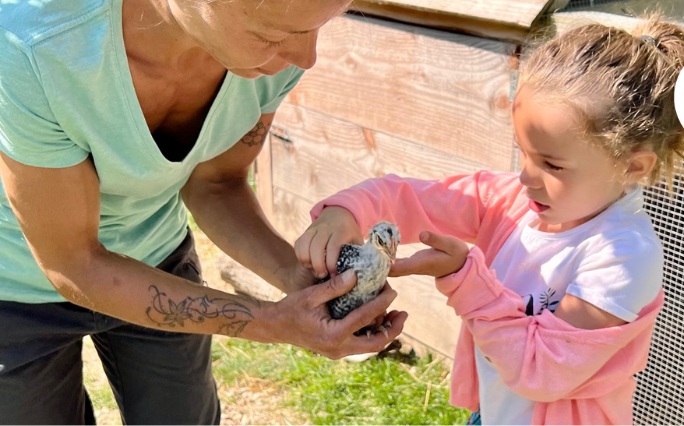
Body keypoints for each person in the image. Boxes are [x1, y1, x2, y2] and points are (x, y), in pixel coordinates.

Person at [0, 0, 406, 424]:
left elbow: (217, 183)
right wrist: (271, 323)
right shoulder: (29, 46)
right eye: (271, 34)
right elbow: (75, 264)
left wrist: (304, 284)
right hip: (15, 289)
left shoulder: (273, 56)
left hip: (155, 256)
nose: (306, 58)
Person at [297, 15, 684, 425]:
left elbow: (540, 369)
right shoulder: (512, 199)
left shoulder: (625, 256)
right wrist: (344, 213)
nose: (525, 176)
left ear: (633, 167)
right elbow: (410, 197)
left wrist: (463, 278)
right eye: (523, 152)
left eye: (552, 165)